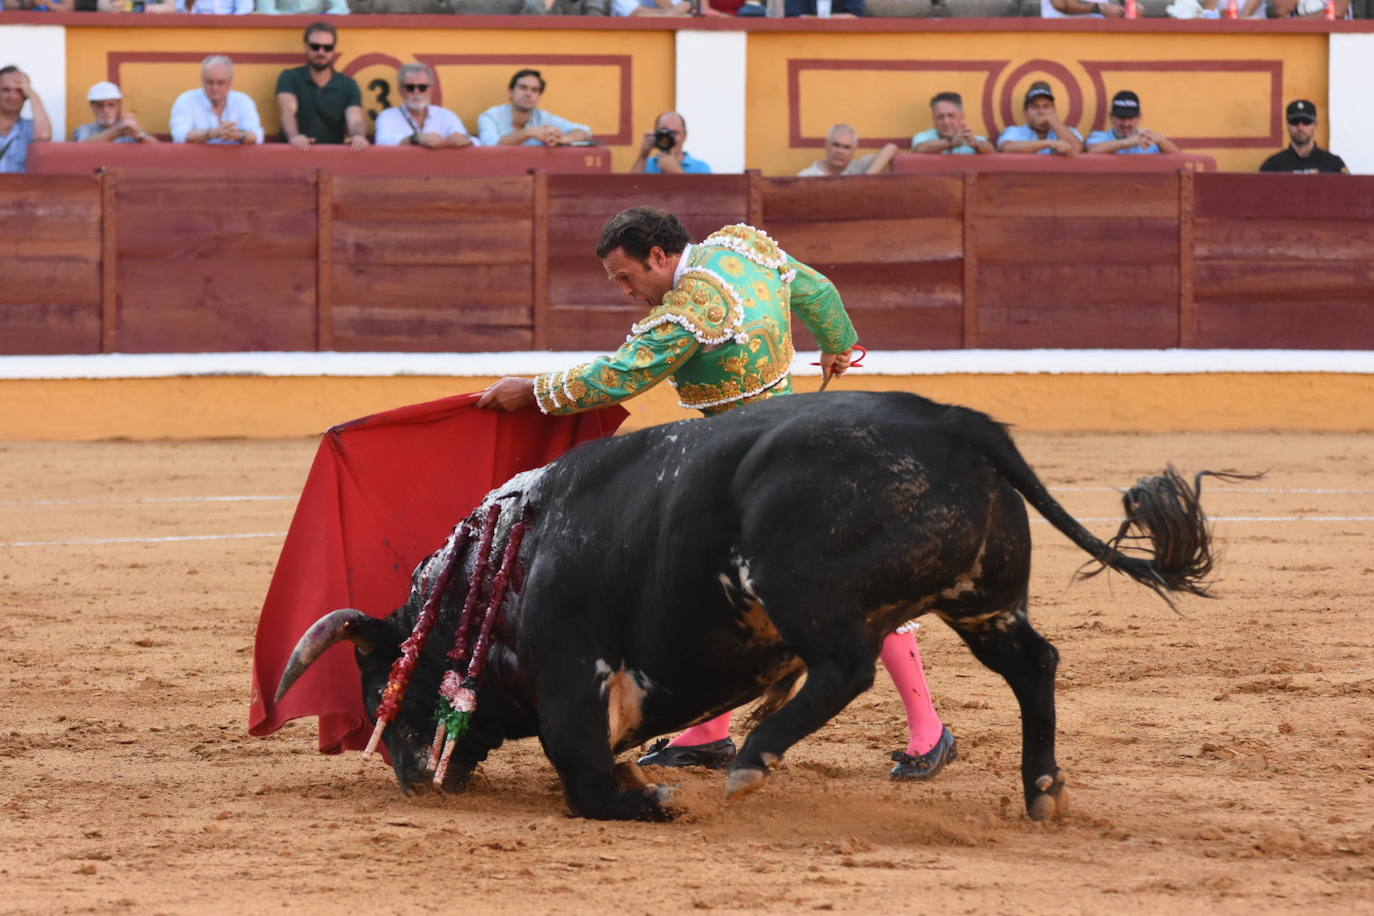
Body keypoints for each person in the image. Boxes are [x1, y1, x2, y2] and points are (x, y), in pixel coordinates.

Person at [475, 207, 958, 782]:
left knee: (847, 588)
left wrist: (533, 391)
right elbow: (817, 290)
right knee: (719, 591)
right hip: (767, 450)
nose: (627, 292)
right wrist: (840, 344)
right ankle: (709, 733)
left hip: (757, 467)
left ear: (659, 257)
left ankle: (930, 732)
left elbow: (623, 375)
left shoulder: (690, 310)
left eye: (626, 277)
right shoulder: (742, 248)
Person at [275, 22, 369, 150]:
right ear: (306, 47)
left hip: (333, 157)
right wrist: (295, 137)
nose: (321, 52)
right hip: (294, 154)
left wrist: (358, 136)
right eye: (315, 46)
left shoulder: (348, 85)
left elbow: (355, 120)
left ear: (334, 49)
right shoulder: (290, 77)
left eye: (327, 47)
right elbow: (287, 111)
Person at [477, 69, 591, 148]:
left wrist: (563, 139)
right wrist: (529, 132)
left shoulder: (543, 117)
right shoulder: (490, 116)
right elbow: (489, 144)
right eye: (523, 88)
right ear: (510, 92)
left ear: (538, 97)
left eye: (534, 90)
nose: (528, 94)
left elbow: (584, 131)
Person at [374, 63, 476, 149]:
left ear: (431, 89)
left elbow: (475, 142)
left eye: (422, 87)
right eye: (410, 87)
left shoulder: (446, 115)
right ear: (401, 90)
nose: (416, 92)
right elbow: (382, 142)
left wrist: (464, 139)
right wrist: (416, 139)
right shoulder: (387, 116)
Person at [169, 56, 263, 145]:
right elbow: (179, 136)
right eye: (210, 82)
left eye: (221, 82)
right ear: (202, 80)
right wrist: (213, 133)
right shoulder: (186, 100)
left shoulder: (243, 101)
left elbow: (257, 136)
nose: (215, 87)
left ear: (231, 82)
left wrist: (240, 135)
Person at [1259, 100, 1348, 174]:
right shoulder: (1273, 166)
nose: (1300, 127)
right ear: (1287, 125)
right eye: (1295, 121)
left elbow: (1349, 192)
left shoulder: (1333, 163)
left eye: (1306, 121)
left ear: (1315, 124)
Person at [997, 81, 1084, 156]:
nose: (1041, 112)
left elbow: (1076, 149)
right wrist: (1049, 143)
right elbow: (1006, 148)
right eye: (1034, 107)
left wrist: (1053, 121)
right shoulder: (1015, 131)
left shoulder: (1068, 131)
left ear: (1054, 110)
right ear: (1025, 112)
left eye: (1046, 107)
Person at [1085, 91, 1179, 155]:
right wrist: (1130, 142)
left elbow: (1179, 157)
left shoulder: (1148, 140)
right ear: (1111, 117)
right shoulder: (1099, 136)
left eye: (1130, 118)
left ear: (1139, 117)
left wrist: (1161, 141)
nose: (1126, 124)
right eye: (1121, 118)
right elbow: (1092, 149)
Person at [0, 65, 51, 174]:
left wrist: (32, 95)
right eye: (6, 90)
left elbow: (44, 135)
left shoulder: (29, 128)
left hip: (20, 189)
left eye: (19, 90)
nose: (12, 96)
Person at [910, 92, 994, 155]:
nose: (946, 121)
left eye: (951, 116)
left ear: (962, 117)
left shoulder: (972, 138)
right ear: (934, 119)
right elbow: (920, 149)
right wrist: (952, 142)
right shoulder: (923, 137)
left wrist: (975, 143)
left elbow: (991, 151)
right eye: (940, 117)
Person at [797, 123, 898, 176]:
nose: (840, 151)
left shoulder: (857, 167)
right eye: (836, 145)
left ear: (853, 151)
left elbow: (891, 148)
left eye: (846, 147)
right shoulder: (807, 176)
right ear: (826, 146)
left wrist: (867, 178)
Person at [73, 81, 158, 144]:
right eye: (100, 106)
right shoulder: (84, 129)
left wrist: (139, 135)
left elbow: (156, 148)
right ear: (93, 107)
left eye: (111, 105)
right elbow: (83, 146)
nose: (106, 110)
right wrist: (118, 131)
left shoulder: (126, 129)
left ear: (118, 106)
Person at [630, 111, 711, 174]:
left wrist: (675, 171)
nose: (668, 137)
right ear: (656, 134)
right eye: (664, 132)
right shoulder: (646, 164)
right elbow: (630, 190)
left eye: (674, 133)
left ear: (685, 136)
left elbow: (703, 195)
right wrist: (643, 155)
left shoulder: (701, 168)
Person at [1040, 0, 1124, 15]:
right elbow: (1061, 3)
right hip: (1064, 36)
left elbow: (1130, 5)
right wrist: (1100, 8)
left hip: (1100, 37)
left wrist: (1134, 8)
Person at [256, 0, 347, 12]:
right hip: (278, 30)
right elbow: (265, 10)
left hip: (317, 31)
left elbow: (341, 9)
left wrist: (323, 19)